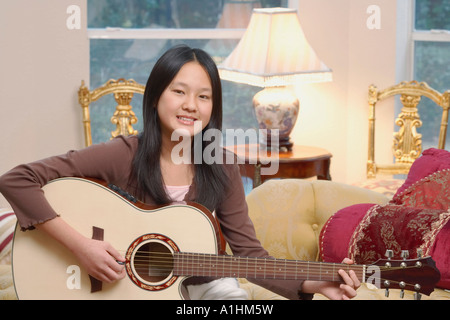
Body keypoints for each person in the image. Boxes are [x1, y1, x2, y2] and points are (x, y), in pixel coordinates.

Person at [0, 45, 360, 300]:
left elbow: (250, 257)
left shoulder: (222, 164)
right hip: (123, 287)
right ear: (156, 96)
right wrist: (83, 248)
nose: (191, 105)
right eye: (179, 91)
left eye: (204, 97)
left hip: (203, 284)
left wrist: (315, 284)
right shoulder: (123, 153)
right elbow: (16, 180)